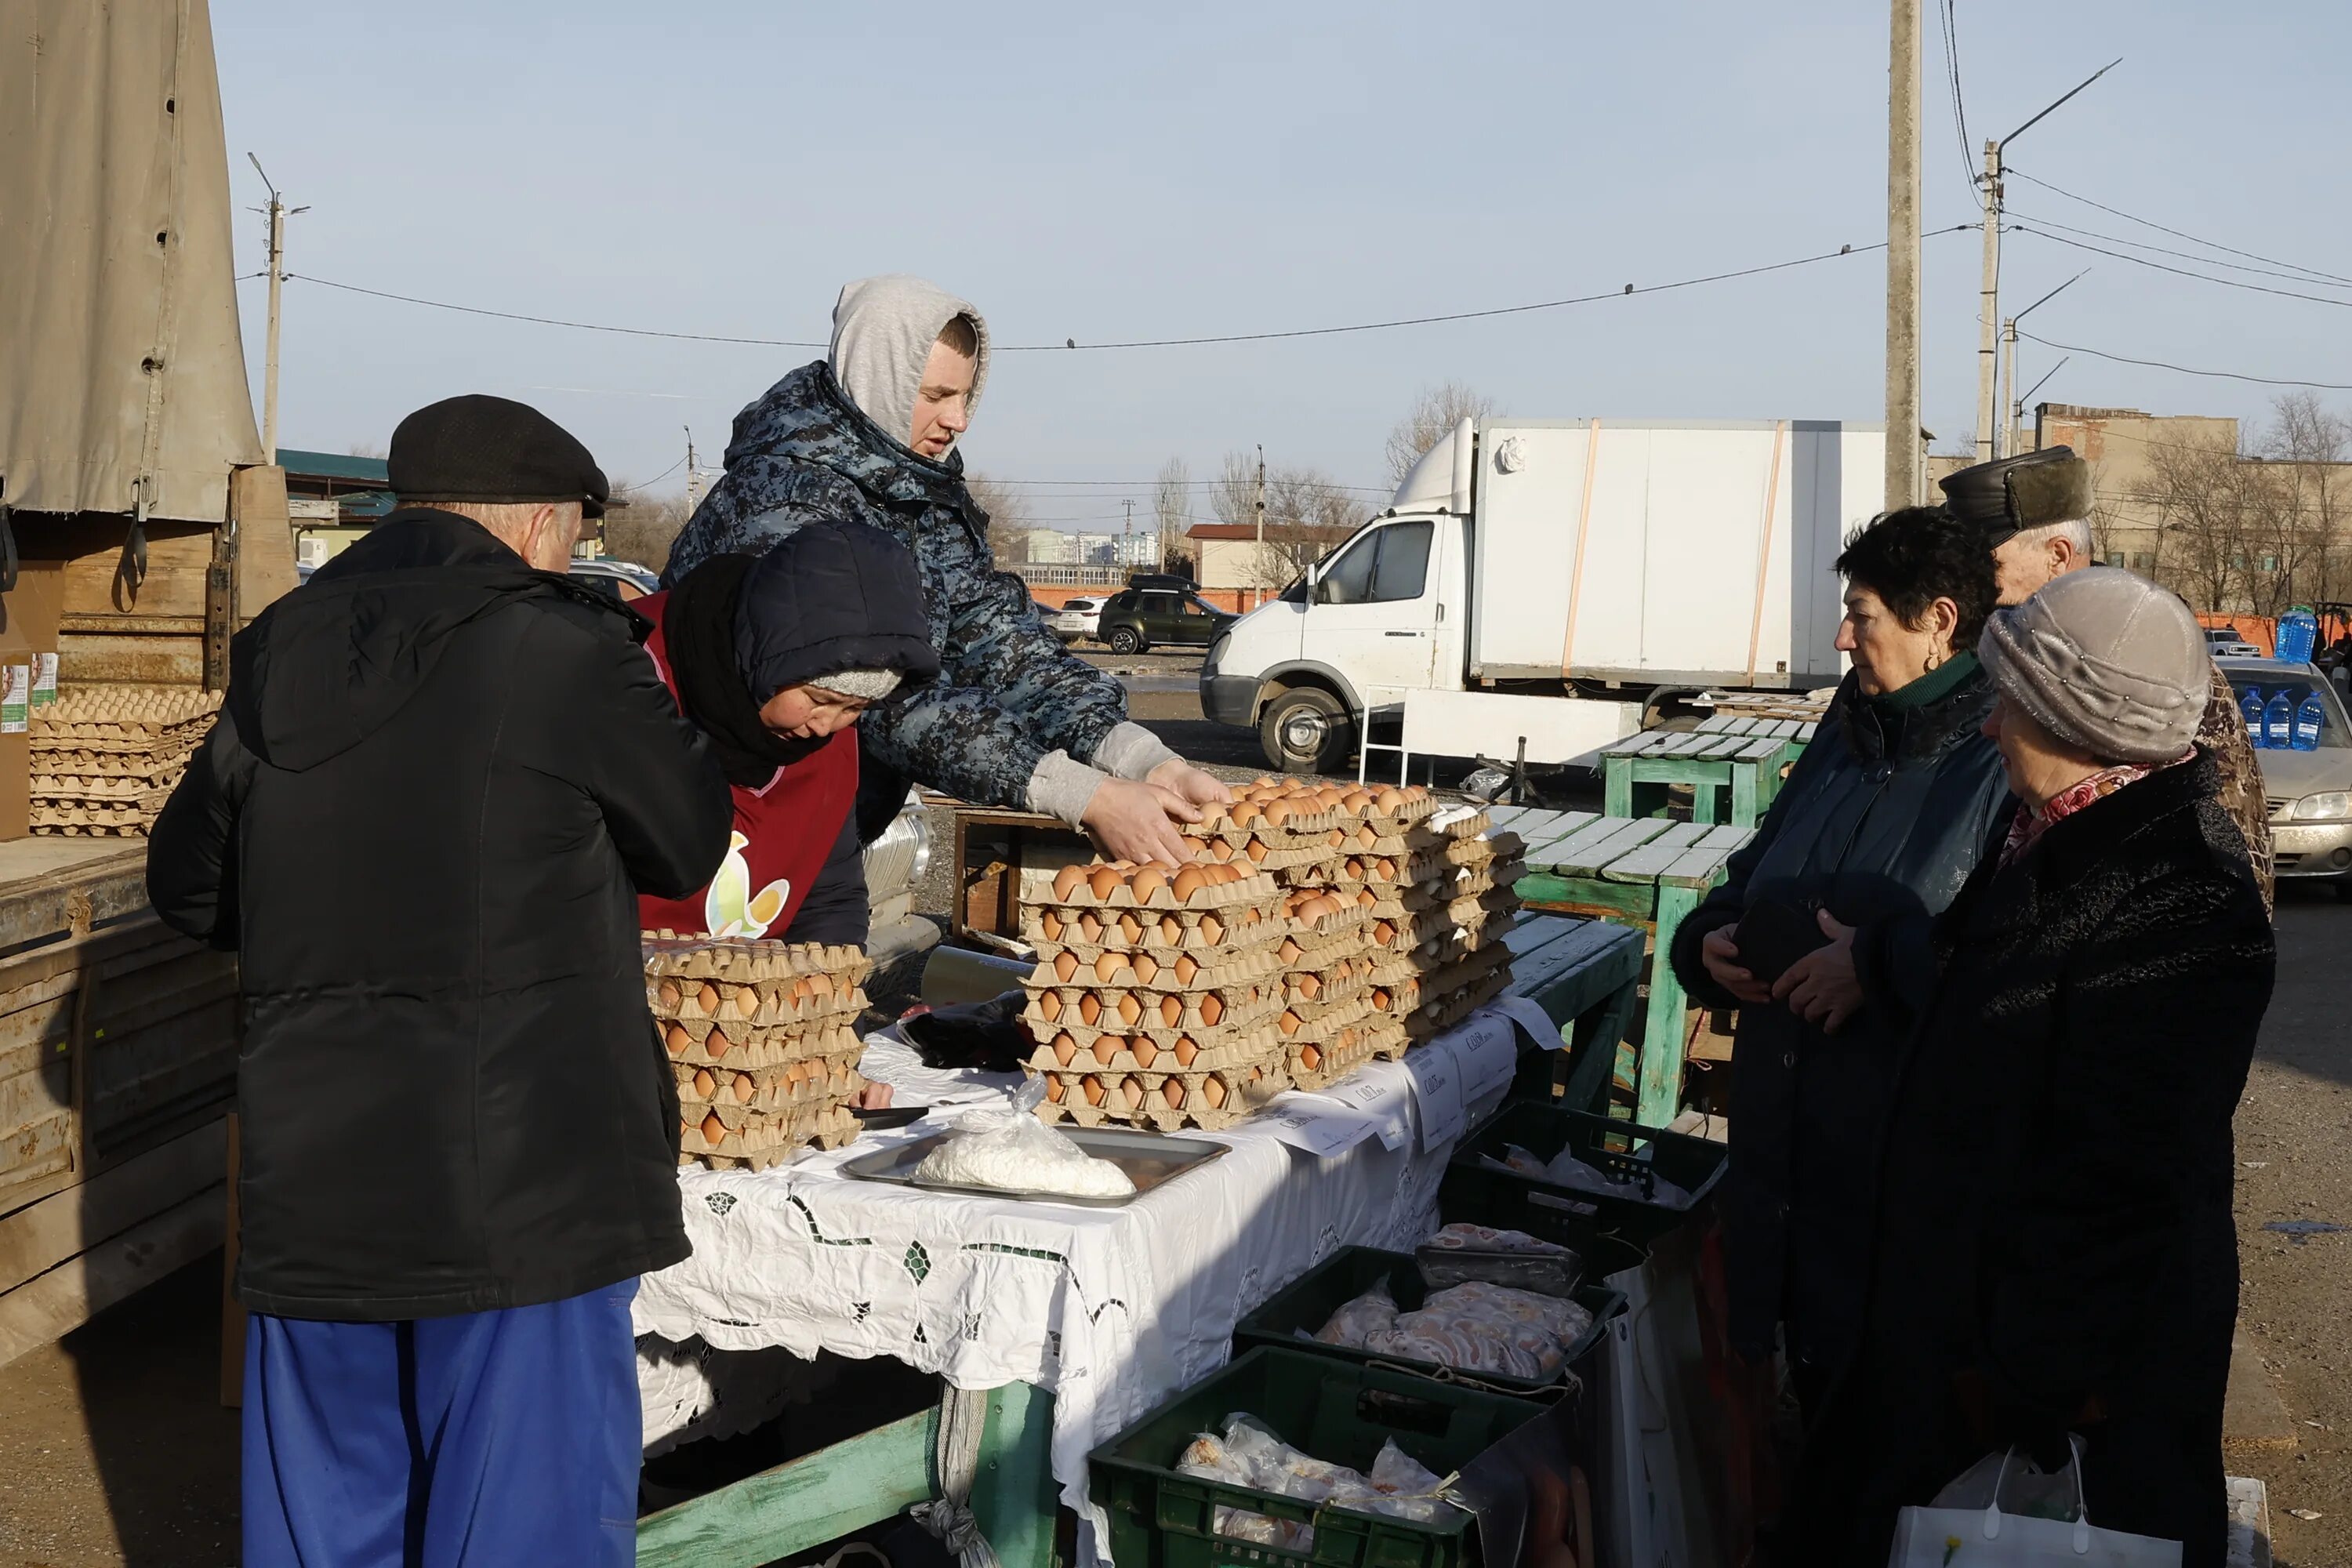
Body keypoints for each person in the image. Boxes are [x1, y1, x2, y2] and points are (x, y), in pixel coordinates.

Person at [147, 396, 734, 1568]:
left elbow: (190, 891)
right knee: (526, 1533)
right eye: (573, 530)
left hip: (317, 1188)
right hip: (525, 1196)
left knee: (327, 1533)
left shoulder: (279, 651)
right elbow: (686, 842)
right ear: (532, 527)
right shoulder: (564, 652)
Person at [1824, 568, 2275, 1566]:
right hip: (1971, 1356)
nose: (1990, 729)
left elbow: (2125, 1176)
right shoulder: (2051, 831)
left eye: (2013, 705)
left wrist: (2022, 1382)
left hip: (2058, 1403)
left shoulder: (2185, 893)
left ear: (2083, 716)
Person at [664, 274, 1229, 867]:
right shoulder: (788, 499)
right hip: (716, 826)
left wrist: (1142, 759)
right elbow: (870, 695)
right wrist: (1080, 794)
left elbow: (1002, 647)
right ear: (877, 378)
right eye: (934, 396)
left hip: (819, 833)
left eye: (964, 397)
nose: (958, 420)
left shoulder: (922, 497)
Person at [1667, 506, 2013, 1426]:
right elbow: (1750, 877)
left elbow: (2007, 962)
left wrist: (1879, 965)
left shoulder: (2002, 759)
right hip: (1787, 1165)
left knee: (1886, 1449)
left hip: (1900, 1197)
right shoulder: (1845, 731)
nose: (1841, 636)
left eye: (1862, 615)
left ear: (1939, 618)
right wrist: (1705, 943)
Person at [1940, 445, 2274, 910]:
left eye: (1988, 566)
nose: (1970, 584)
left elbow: (2230, 841)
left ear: (2058, 556)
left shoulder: (2148, 659)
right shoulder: (2006, 646)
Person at [637, 519, 940, 949]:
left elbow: (831, 894)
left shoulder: (823, 738)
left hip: (756, 1001)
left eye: (855, 708)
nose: (825, 726)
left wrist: (823, 992)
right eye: (819, 698)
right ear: (766, 654)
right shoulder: (625, 675)